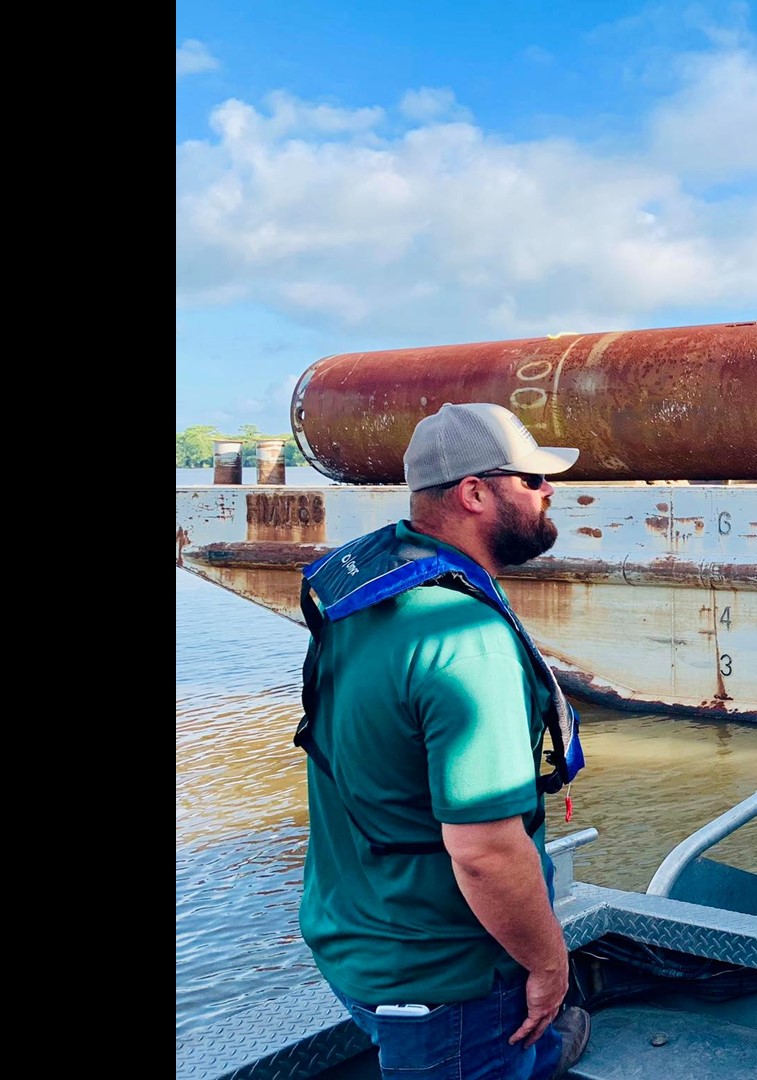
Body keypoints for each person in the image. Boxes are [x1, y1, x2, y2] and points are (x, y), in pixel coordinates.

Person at [293, 401, 591, 1079]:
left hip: (354, 934)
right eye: (532, 480)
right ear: (475, 493)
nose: (550, 492)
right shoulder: (465, 642)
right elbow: (485, 851)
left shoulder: (368, 590)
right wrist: (549, 965)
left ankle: (539, 1054)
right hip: (446, 980)